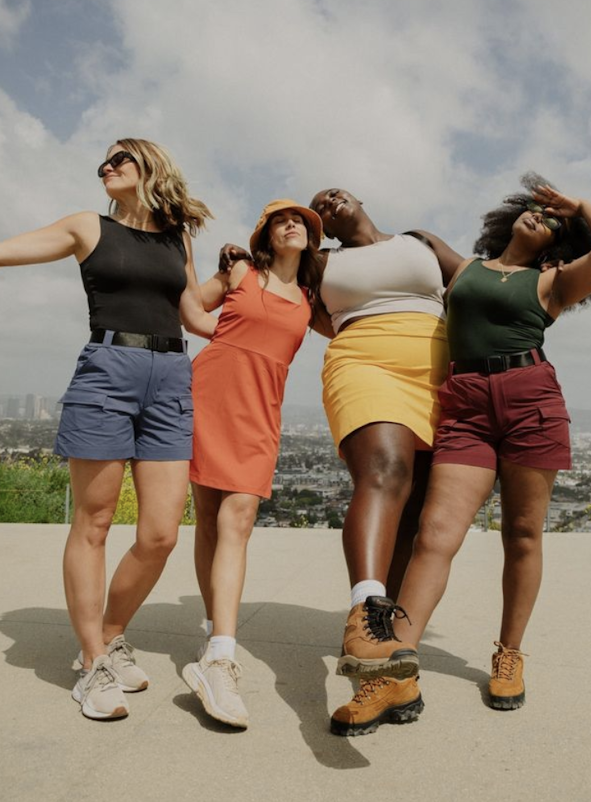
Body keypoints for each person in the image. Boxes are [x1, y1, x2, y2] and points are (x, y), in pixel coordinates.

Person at [388, 173, 591, 712]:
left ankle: (509, 654)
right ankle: (396, 661)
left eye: (553, 223)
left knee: (522, 534)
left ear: (559, 247)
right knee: (436, 533)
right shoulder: (465, 268)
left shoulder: (555, 282)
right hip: (467, 405)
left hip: (531, 403)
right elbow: (414, 240)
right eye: (536, 210)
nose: (540, 217)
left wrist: (580, 204)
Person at [0, 138, 216, 720]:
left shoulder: (179, 239)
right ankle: (93, 661)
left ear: (150, 166)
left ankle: (110, 633)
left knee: (162, 533)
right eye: (103, 163)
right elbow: (7, 251)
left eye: (120, 158)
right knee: (93, 521)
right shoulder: (85, 227)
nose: (108, 167)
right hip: (108, 373)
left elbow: (194, 314)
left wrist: (251, 287)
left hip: (172, 376)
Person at [306, 188, 464, 735]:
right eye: (317, 207)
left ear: (359, 198)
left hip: (441, 377)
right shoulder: (322, 262)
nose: (327, 199)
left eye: (333, 193)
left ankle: (392, 671)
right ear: (320, 228)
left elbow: (478, 283)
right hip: (364, 362)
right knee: (385, 473)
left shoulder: (419, 240)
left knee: (417, 522)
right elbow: (294, 307)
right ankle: (366, 609)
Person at [181, 200, 323, 728]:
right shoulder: (241, 271)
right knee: (210, 523)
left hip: (260, 414)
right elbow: (194, 312)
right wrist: (189, 254)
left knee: (237, 521)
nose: (294, 225)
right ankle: (218, 645)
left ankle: (219, 653)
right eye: (283, 219)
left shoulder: (312, 297)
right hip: (206, 396)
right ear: (266, 232)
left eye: (303, 222)